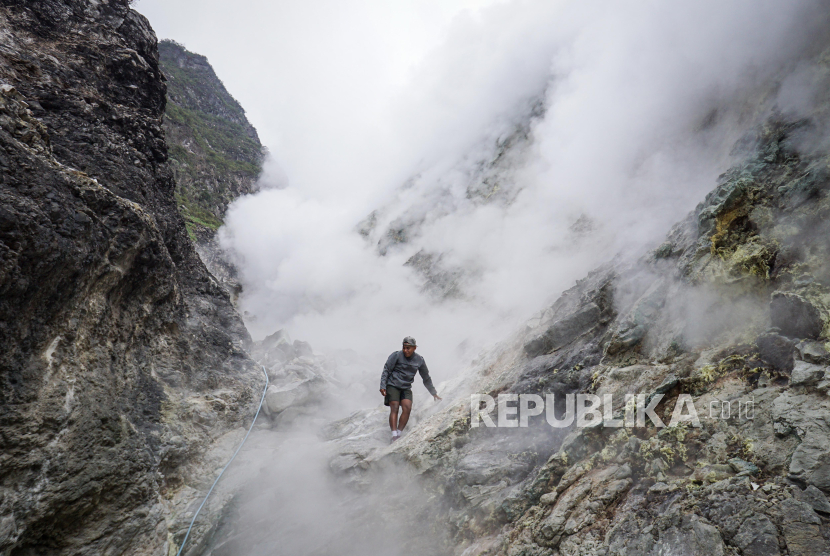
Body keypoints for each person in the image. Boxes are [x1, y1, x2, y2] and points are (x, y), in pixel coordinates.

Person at [379, 336, 441, 442]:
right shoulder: (396, 355)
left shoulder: (419, 360)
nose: (405, 350)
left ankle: (399, 433)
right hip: (393, 385)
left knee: (407, 408)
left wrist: (434, 393)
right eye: (404, 347)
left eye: (408, 348)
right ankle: (394, 435)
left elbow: (426, 377)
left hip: (406, 387)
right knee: (394, 407)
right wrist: (383, 386)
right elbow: (386, 370)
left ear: (414, 348)